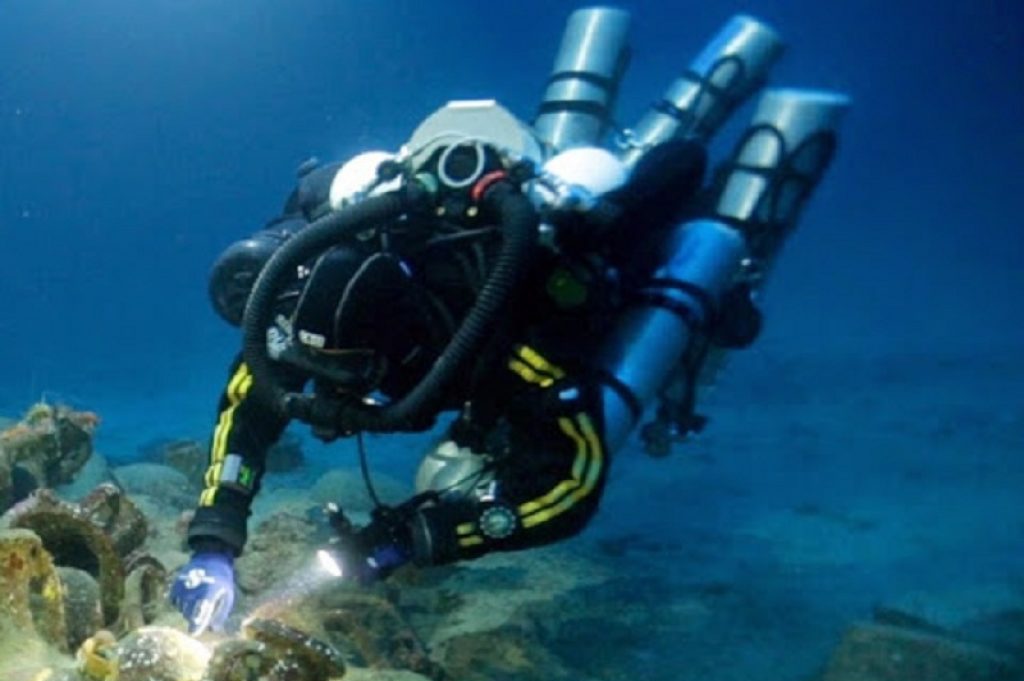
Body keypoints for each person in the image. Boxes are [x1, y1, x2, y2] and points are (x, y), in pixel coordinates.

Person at [171, 8, 848, 634]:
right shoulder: (297, 308)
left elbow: (571, 482)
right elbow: (250, 405)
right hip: (484, 190)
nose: (326, 406)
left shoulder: (494, 333)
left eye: (351, 380)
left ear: (401, 345)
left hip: (575, 252)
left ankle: (735, 195)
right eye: (313, 377)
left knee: (663, 205)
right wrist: (215, 540)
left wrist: (422, 534)